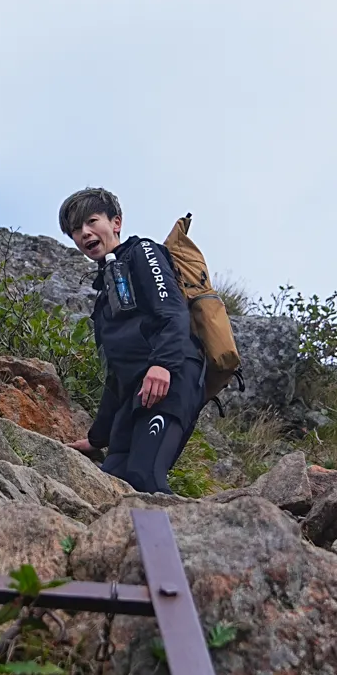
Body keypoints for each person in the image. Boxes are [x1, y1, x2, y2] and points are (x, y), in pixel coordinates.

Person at [58, 186, 207, 493]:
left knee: (145, 478)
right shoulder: (106, 295)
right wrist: (98, 437)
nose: (84, 233)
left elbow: (173, 311)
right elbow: (117, 376)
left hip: (171, 380)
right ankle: (128, 542)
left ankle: (175, 542)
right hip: (137, 395)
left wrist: (162, 365)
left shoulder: (143, 252)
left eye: (92, 221)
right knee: (113, 482)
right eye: (75, 230)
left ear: (116, 222)